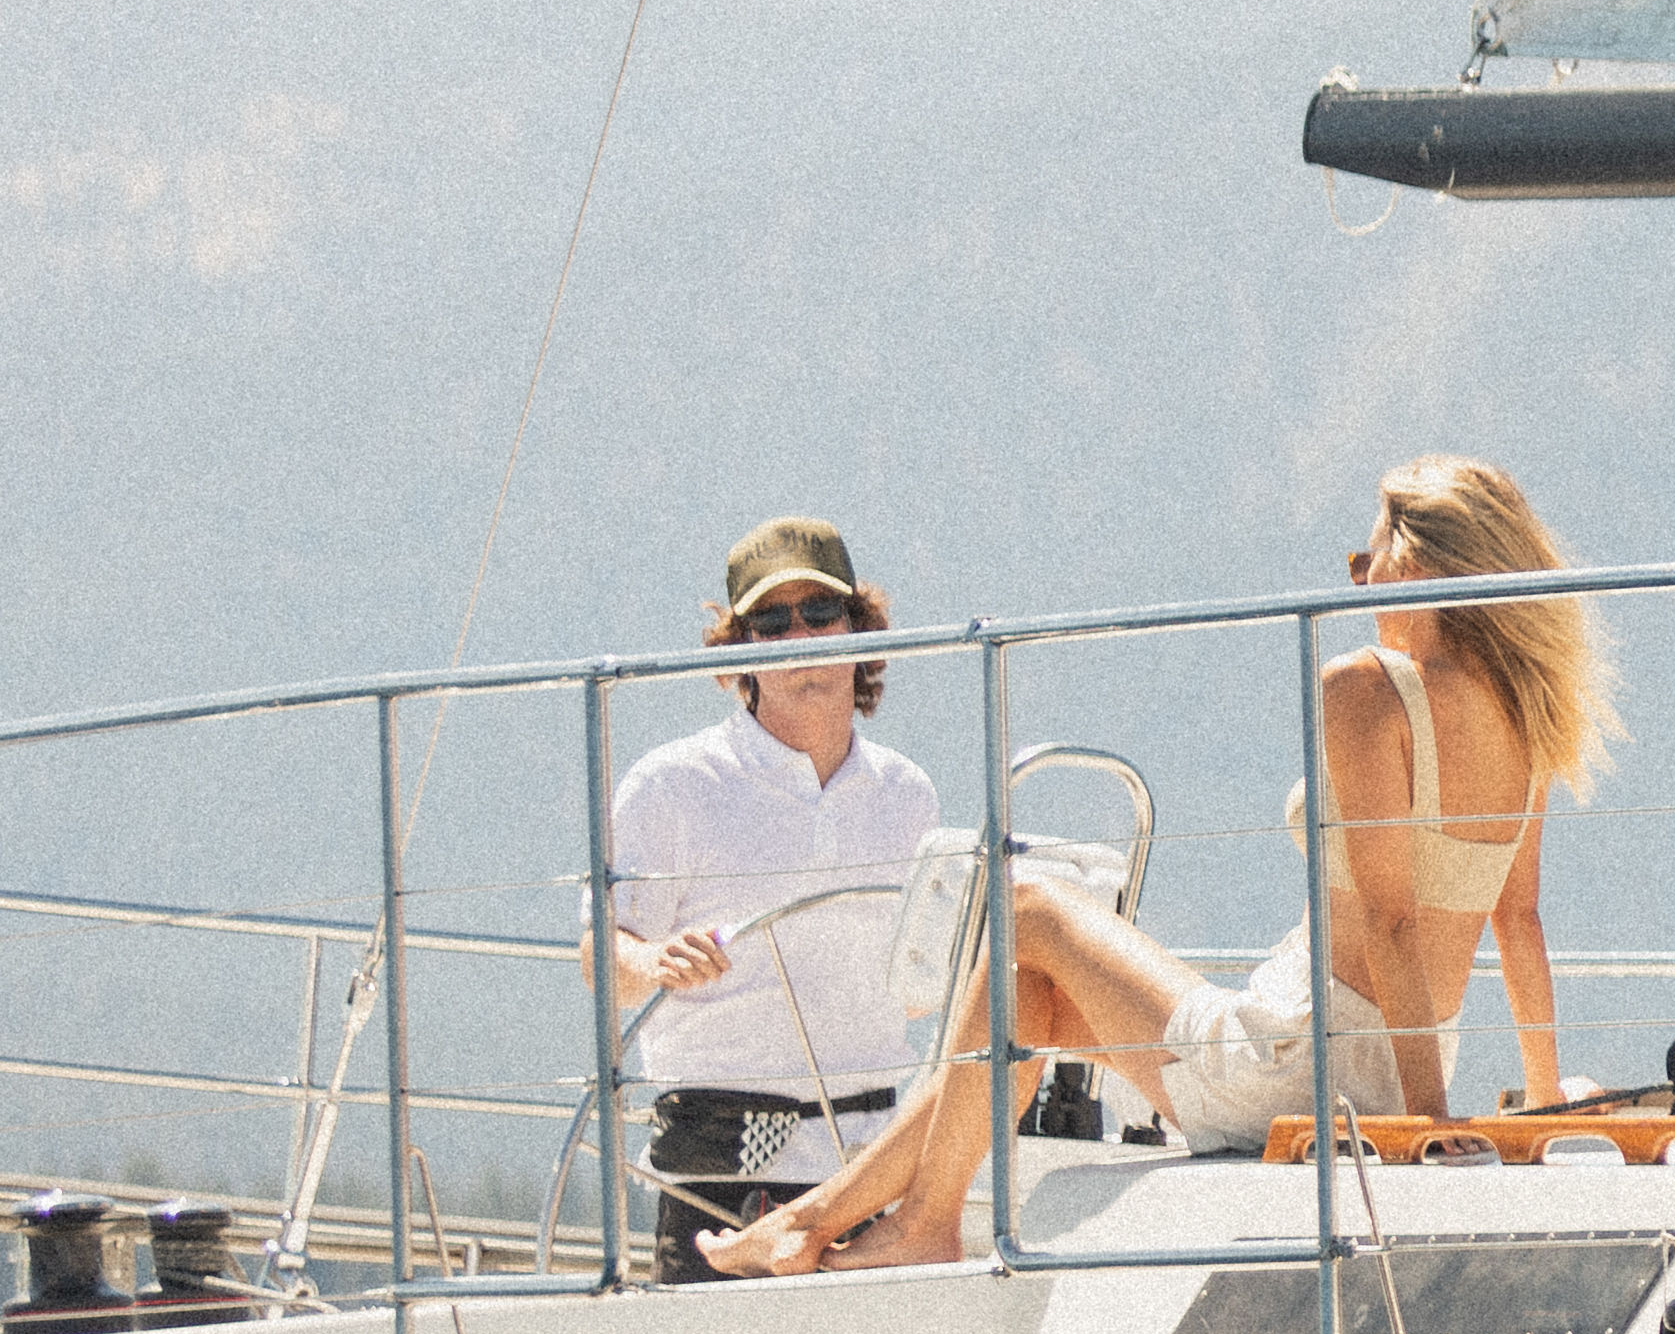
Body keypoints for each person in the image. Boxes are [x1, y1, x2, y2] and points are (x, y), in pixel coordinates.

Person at [713, 459, 1610, 1273]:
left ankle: (912, 1222)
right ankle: (824, 1221)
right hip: (1389, 1058)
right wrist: (1541, 1101)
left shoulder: (1369, 687)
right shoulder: (1526, 713)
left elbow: (1391, 920)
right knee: (1032, 1001)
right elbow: (1517, 919)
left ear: (1415, 564)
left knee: (1029, 906)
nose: (1360, 585)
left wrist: (1429, 1122)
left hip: (1297, 1058)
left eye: (1363, 562)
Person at [599, 516, 940, 1281]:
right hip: (719, 1165)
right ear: (741, 648)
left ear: (858, 629)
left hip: (871, 1165)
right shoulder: (673, 785)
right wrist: (653, 961)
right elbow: (602, 962)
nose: (800, 638)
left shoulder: (907, 794)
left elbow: (919, 989)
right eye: (771, 623)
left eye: (819, 613)